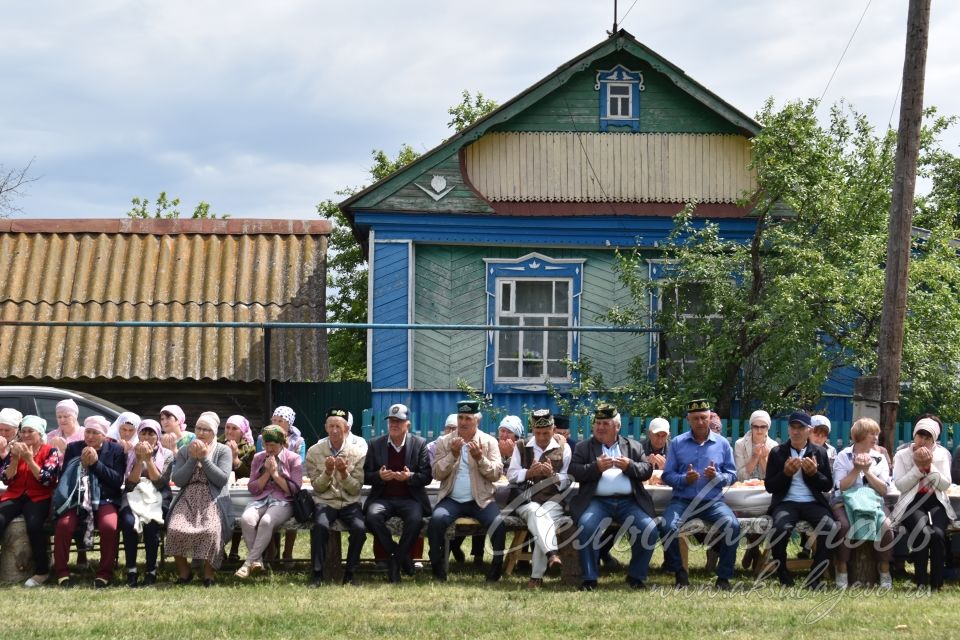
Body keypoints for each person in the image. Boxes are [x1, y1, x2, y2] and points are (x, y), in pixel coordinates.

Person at [571, 404, 660, 590]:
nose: (600, 427)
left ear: (617, 427)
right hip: (597, 502)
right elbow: (574, 471)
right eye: (598, 423)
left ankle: (636, 576)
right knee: (586, 527)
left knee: (649, 529)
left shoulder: (633, 446)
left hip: (629, 501)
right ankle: (589, 578)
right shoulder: (583, 447)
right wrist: (596, 467)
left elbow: (646, 470)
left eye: (605, 423)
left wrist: (629, 466)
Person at [660, 399, 740, 590]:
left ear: (710, 417)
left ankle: (724, 577)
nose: (700, 422)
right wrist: (683, 480)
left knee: (733, 526)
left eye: (704, 417)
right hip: (682, 500)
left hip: (712, 502)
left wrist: (717, 477)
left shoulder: (722, 444)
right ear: (688, 419)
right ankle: (679, 571)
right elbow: (667, 475)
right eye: (695, 418)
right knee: (667, 526)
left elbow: (733, 475)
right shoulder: (678, 443)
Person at [427, 400, 507, 582]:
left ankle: (496, 569)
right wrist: (452, 455)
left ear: (477, 421)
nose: (463, 422)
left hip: (480, 500)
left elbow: (495, 474)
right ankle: (437, 566)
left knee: (498, 524)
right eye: (460, 417)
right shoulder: (445, 441)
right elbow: (437, 473)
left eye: (468, 418)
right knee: (437, 520)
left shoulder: (489, 442)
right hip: (451, 498)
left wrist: (480, 458)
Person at [763, 412, 837, 589]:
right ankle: (783, 573)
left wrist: (813, 474)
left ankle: (815, 576)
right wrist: (786, 474)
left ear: (808, 430)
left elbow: (827, 485)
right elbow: (770, 487)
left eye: (801, 428)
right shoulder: (777, 452)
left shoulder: (819, 452)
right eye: (793, 427)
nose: (796, 432)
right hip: (786, 502)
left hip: (813, 502)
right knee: (780, 528)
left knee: (831, 528)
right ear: (788, 429)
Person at [53, 415, 126, 588]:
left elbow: (116, 481)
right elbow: (65, 477)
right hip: (77, 497)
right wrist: (82, 466)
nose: (90, 437)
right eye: (87, 432)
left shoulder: (115, 450)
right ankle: (62, 572)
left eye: (95, 433)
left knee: (109, 526)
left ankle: (104, 573)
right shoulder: (74, 448)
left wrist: (95, 464)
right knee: (64, 525)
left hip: (105, 497)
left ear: (104, 435)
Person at [363, 403, 432, 583]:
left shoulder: (419, 444)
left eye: (399, 421)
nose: (394, 424)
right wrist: (378, 476)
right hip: (383, 498)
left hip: (410, 498)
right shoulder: (375, 444)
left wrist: (409, 477)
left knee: (415, 520)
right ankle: (402, 558)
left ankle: (394, 563)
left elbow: (426, 477)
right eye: (391, 421)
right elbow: (365, 475)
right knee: (372, 516)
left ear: (407, 424)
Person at [166, 412, 233, 587]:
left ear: (213, 432)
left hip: (212, 498)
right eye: (198, 428)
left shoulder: (223, 450)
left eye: (206, 430)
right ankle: (184, 572)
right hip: (188, 497)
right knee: (174, 528)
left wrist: (204, 458)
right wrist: (192, 459)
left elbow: (221, 480)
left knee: (211, 530)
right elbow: (179, 480)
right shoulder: (184, 450)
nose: (201, 433)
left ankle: (209, 574)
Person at [507, 409, 571, 588]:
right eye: (538, 433)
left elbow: (567, 480)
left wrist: (553, 476)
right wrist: (528, 472)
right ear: (532, 430)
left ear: (554, 429)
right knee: (538, 514)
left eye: (546, 433)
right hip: (526, 500)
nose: (542, 437)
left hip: (553, 500)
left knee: (543, 517)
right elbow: (511, 475)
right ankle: (551, 555)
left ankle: (537, 577)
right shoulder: (521, 446)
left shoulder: (564, 448)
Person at [892, 416, 955, 591]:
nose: (923, 441)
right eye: (920, 436)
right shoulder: (902, 455)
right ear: (914, 435)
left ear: (934, 440)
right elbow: (900, 485)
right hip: (912, 501)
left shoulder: (942, 454)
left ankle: (936, 583)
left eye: (928, 438)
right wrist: (918, 468)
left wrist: (929, 467)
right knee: (922, 531)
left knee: (936, 534)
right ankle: (920, 581)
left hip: (935, 500)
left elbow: (945, 484)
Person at [306, 408, 367, 586]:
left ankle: (350, 572)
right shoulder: (314, 452)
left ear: (346, 429)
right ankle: (317, 574)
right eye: (331, 426)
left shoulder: (358, 452)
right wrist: (328, 472)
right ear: (325, 428)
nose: (334, 430)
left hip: (349, 503)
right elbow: (317, 486)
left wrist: (343, 473)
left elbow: (356, 489)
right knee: (320, 526)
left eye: (338, 427)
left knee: (359, 529)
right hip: (326, 501)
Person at [831, 417, 893, 590]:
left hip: (873, 502)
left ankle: (884, 569)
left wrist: (867, 472)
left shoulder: (880, 458)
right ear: (859, 435)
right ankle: (842, 567)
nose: (875, 437)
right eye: (871, 433)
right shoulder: (844, 456)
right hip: (845, 502)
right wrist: (856, 469)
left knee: (886, 525)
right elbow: (840, 486)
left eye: (877, 433)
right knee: (843, 525)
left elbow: (883, 490)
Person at [0, 415, 60, 587]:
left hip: (39, 495)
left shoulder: (50, 451)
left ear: (40, 434)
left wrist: (29, 459)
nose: (26, 435)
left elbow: (47, 479)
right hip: (15, 494)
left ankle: (42, 570)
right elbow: (6, 478)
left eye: (30, 431)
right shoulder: (14, 450)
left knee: (34, 526)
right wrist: (15, 460)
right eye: (23, 432)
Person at [235, 425, 302, 579]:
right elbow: (253, 488)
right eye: (266, 445)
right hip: (260, 499)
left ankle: (247, 564)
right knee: (247, 519)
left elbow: (294, 490)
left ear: (282, 444)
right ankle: (257, 561)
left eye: (273, 445)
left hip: (283, 501)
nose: (269, 449)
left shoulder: (293, 458)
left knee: (266, 521)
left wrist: (275, 474)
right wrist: (266, 474)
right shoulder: (259, 458)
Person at [119, 419, 173, 587]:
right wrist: (138, 459)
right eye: (143, 433)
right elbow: (129, 484)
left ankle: (151, 570)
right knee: (128, 524)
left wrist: (148, 460)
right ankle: (132, 570)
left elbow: (160, 483)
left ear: (157, 437)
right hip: (133, 495)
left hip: (157, 495)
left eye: (151, 434)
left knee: (151, 525)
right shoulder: (129, 453)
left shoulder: (167, 455)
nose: (147, 437)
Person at [259, 405, 307, 561]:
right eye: (274, 420)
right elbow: (260, 457)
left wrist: (286, 451)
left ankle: (288, 552)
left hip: (289, 481)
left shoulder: (298, 440)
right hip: (269, 481)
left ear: (289, 424)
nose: (276, 423)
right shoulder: (263, 437)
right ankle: (271, 549)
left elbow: (301, 463)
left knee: (293, 505)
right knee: (268, 512)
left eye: (281, 420)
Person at [220, 414, 257, 561]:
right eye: (227, 427)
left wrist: (235, 459)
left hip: (240, 490)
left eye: (234, 428)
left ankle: (234, 549)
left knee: (239, 508)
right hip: (221, 487)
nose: (229, 431)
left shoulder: (250, 448)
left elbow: (250, 473)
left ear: (242, 431)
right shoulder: (217, 443)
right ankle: (219, 549)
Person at [734, 410, 777, 482]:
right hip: (745, 489)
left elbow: (774, 478)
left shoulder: (774, 446)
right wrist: (755, 457)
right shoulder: (740, 444)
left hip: (766, 489)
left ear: (768, 427)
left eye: (763, 427)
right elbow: (740, 477)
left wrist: (763, 459)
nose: (759, 430)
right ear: (751, 427)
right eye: (755, 426)